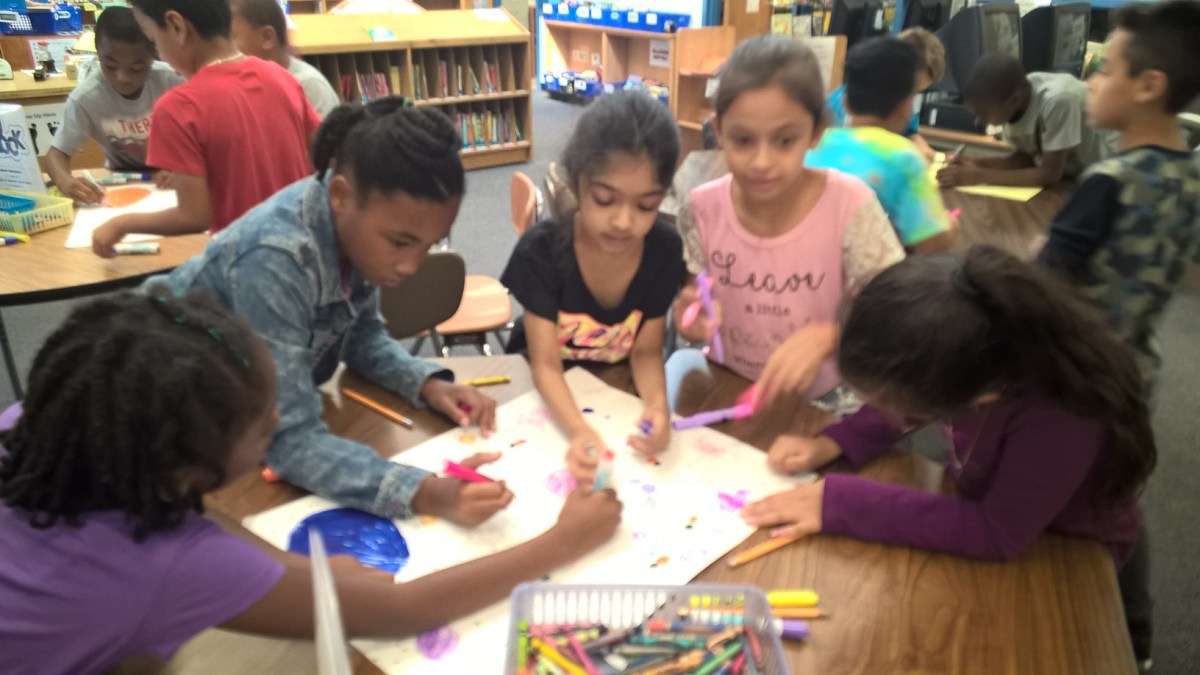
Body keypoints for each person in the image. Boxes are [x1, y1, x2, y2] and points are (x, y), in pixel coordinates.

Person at [0, 290, 622, 674]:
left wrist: (304, 572)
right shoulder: (165, 564)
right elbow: (402, 612)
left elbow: (189, 512)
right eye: (261, 425)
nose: (280, 420)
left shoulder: (51, 427)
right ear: (189, 471)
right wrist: (563, 541)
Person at [152, 99, 506, 525]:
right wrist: (424, 492)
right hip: (172, 428)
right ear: (340, 195)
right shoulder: (275, 259)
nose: (412, 265)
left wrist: (427, 384)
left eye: (429, 245)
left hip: (236, 416)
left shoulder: (355, 225)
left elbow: (363, 337)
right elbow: (289, 440)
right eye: (401, 242)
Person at [744, 245, 1154, 574]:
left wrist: (844, 503)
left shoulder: (1061, 418)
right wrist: (834, 442)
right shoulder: (967, 347)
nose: (880, 409)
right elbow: (909, 399)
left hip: (1074, 555)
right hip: (999, 503)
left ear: (971, 397)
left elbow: (996, 533)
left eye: (885, 402)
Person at [1036, 2, 1200, 669]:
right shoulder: (1192, 173)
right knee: (1116, 497)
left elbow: (1043, 288)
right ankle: (1133, 640)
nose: (1091, 82)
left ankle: (1052, 626)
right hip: (1136, 369)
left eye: (1105, 69)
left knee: (1058, 491)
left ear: (1148, 85)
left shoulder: (1108, 181)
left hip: (1074, 373)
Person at [674, 35, 904, 425]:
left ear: (815, 132)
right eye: (743, 140)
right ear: (719, 130)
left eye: (784, 141)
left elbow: (896, 315)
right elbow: (697, 293)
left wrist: (831, 335)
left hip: (822, 400)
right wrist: (690, 314)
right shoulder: (702, 207)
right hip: (729, 386)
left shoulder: (850, 206)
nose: (762, 161)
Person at [501, 91, 686, 483]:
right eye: (604, 200)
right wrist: (579, 431)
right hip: (544, 398)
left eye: (646, 206)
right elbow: (545, 365)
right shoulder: (542, 252)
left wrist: (657, 405)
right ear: (576, 182)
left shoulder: (664, 252)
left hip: (614, 392)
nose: (623, 222)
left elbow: (646, 354)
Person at [91, 0, 319, 257]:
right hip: (306, 254)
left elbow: (194, 216)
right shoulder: (281, 77)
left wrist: (123, 223)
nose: (159, 55)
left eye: (154, 40)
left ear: (177, 27)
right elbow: (319, 159)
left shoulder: (179, 107)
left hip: (245, 262)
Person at [806, 37, 955, 253]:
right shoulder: (904, 158)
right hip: (868, 269)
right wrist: (951, 227)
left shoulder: (814, 143)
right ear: (907, 107)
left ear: (845, 101)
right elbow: (930, 243)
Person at [45, 6, 183, 204]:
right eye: (110, 66)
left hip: (176, 177)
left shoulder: (174, 80)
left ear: (153, 56)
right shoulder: (86, 99)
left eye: (136, 68)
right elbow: (56, 155)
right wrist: (65, 182)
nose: (122, 78)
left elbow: (209, 136)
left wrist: (190, 166)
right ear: (98, 54)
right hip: (122, 180)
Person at [938, 54, 1118, 189]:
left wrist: (978, 176)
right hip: (1078, 178)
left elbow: (1049, 175)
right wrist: (975, 163)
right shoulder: (1017, 98)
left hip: (1111, 177)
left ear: (1014, 100)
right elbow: (1026, 159)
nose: (979, 121)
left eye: (983, 113)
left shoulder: (1057, 101)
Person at [826, 27, 944, 163]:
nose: (908, 104)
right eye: (908, 92)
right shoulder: (845, 105)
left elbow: (908, 129)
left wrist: (916, 139)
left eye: (915, 94)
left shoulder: (897, 103)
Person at [230, 0, 340, 118]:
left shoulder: (309, 86)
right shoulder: (243, 84)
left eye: (231, 36)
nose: (225, 46)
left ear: (267, 37)